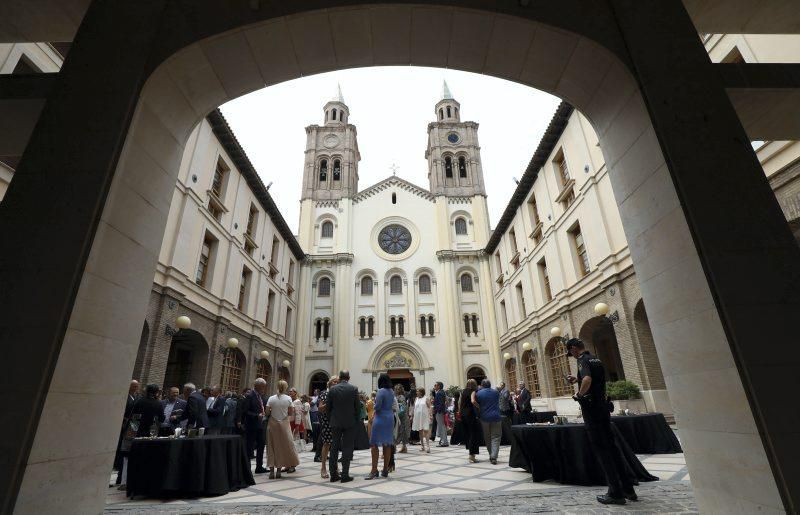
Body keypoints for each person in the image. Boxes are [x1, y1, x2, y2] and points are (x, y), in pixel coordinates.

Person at [566, 337, 637, 505]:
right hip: (603, 408)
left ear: (575, 348)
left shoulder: (582, 360)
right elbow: (595, 380)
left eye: (571, 352)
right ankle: (628, 489)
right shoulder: (596, 358)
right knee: (613, 448)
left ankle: (615, 493)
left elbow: (588, 380)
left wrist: (579, 394)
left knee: (602, 450)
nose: (572, 355)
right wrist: (577, 380)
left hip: (593, 411)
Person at [119, 384, 164, 487]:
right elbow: (161, 419)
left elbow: (128, 414)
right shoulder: (158, 404)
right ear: (157, 392)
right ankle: (138, 481)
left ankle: (124, 482)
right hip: (149, 433)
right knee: (143, 457)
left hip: (133, 431)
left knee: (127, 457)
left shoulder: (138, 400)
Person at [327, 370, 360, 483]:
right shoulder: (353, 389)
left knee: (334, 448)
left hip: (335, 422)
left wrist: (330, 419)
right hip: (350, 423)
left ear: (340, 377)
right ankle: (345, 475)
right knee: (347, 447)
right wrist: (356, 420)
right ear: (349, 377)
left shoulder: (332, 389)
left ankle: (333, 475)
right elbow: (357, 408)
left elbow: (328, 408)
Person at [266, 380, 300, 479]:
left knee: (271, 447)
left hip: (272, 424)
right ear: (285, 388)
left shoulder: (271, 398)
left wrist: (272, 411)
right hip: (284, 424)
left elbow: (267, 412)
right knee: (282, 446)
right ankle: (279, 471)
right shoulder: (288, 399)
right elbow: (290, 412)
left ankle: (271, 472)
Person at [365, 373, 395, 479]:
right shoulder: (392, 391)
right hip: (389, 418)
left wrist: (373, 403)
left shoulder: (381, 391)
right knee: (387, 444)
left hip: (380, 417)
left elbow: (377, 407)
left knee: (374, 444)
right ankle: (385, 469)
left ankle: (374, 470)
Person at [113, 380, 139, 485]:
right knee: (120, 449)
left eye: (137, 386)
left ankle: (121, 475)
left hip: (131, 427)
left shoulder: (136, 398)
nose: (135, 388)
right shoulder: (125, 397)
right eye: (133, 386)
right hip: (122, 427)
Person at [474, 379, 502, 464]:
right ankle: (494, 456)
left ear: (482, 385)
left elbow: (477, 405)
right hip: (496, 417)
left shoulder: (478, 393)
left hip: (484, 418)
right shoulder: (496, 392)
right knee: (496, 437)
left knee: (487, 437)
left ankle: (491, 454)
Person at [243, 378, 269, 473]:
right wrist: (256, 415)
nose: (264, 388)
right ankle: (247, 468)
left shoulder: (260, 396)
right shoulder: (250, 396)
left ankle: (259, 467)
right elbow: (245, 411)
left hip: (260, 425)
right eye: (263, 386)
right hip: (251, 426)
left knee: (261, 446)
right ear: (258, 386)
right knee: (249, 447)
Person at [317, 376, 339, 479]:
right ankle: (323, 468)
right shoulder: (324, 394)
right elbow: (320, 408)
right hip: (327, 421)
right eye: (334, 381)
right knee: (326, 444)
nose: (336, 383)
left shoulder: (339, 394)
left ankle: (335, 467)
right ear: (329, 383)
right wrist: (329, 403)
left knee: (336, 445)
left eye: (337, 382)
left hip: (337, 421)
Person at [459, 379, 481, 463]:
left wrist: (460, 412)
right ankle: (472, 456)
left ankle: (470, 453)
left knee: (468, 434)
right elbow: (473, 401)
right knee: (473, 434)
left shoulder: (463, 391)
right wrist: (479, 406)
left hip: (463, 414)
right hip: (470, 414)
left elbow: (459, 402)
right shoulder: (473, 391)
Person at [410, 387, 432, 453]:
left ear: (421, 392)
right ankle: (422, 445)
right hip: (417, 417)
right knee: (420, 431)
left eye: (418, 391)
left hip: (424, 416)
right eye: (416, 391)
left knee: (426, 430)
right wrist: (411, 415)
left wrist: (430, 415)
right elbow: (413, 407)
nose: (416, 392)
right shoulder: (416, 399)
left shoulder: (426, 398)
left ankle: (428, 446)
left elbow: (430, 406)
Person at [433, 382, 449, 446]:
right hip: (441, 411)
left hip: (439, 412)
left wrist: (437, 411)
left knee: (442, 426)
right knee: (442, 426)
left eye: (435, 385)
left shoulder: (439, 393)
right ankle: (444, 441)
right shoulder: (441, 392)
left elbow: (440, 403)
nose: (434, 386)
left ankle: (444, 442)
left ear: (439, 386)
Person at [394, 384, 409, 453]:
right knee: (400, 432)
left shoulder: (401, 397)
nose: (397, 390)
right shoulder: (396, 396)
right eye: (396, 389)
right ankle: (403, 447)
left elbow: (403, 407)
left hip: (401, 417)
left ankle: (399, 447)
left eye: (398, 389)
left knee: (401, 432)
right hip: (399, 416)